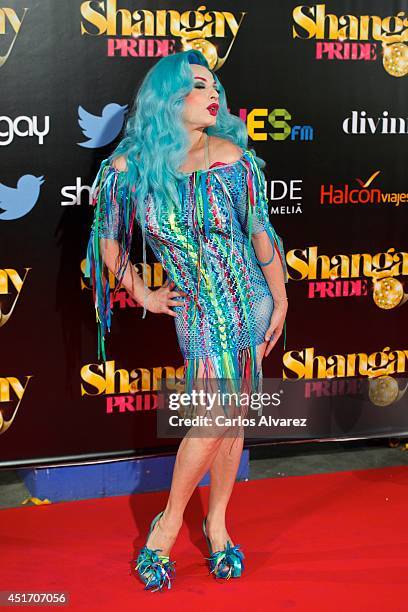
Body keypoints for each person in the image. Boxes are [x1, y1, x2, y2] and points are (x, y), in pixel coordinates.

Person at [85, 49, 288, 591]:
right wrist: (145, 293)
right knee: (216, 416)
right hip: (199, 313)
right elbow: (108, 243)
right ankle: (170, 522)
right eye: (199, 86)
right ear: (169, 99)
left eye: (213, 85)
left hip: (251, 303)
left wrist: (282, 299)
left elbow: (261, 238)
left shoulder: (233, 158)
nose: (212, 93)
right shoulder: (127, 169)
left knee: (232, 417)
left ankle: (217, 523)